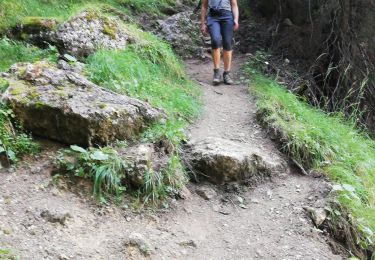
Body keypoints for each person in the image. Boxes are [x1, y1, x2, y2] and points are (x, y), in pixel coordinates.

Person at [200, 0, 239, 85]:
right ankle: (216, 72)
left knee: (227, 43)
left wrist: (236, 19)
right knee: (215, 41)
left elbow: (234, 5)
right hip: (212, 16)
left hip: (227, 16)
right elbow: (203, 6)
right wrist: (203, 23)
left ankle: (226, 74)